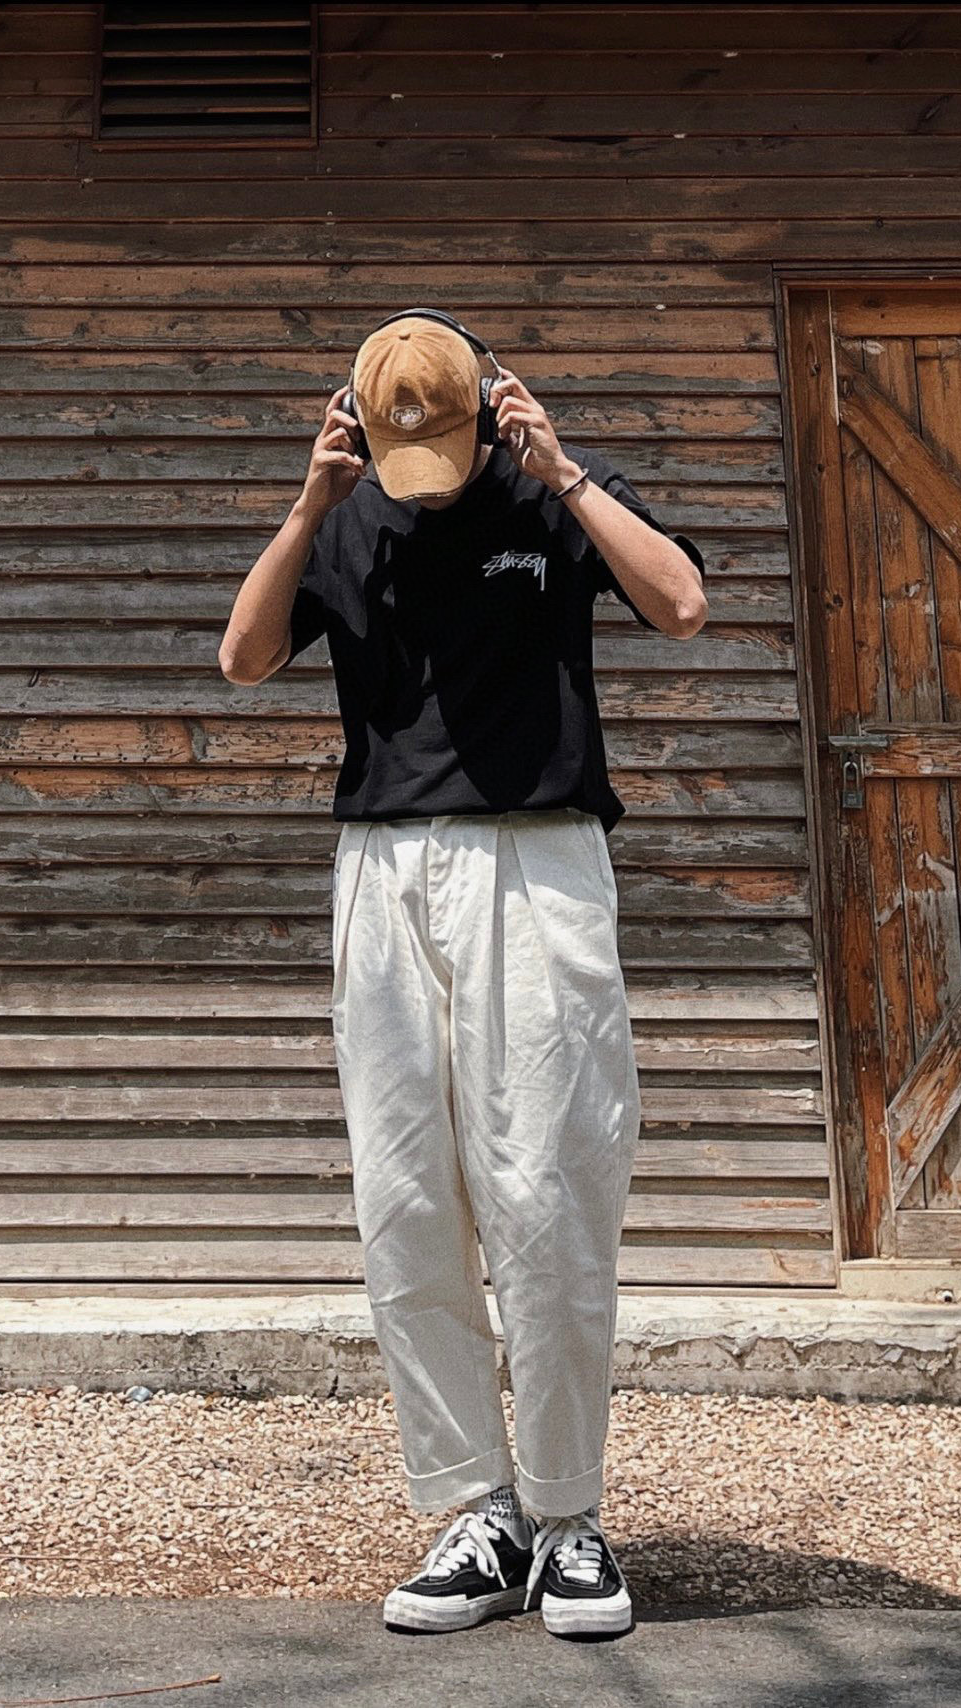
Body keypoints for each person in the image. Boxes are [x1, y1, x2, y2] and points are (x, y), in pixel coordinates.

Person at [219, 310, 707, 1639]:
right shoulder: (350, 513)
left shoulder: (549, 495)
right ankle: (477, 1512)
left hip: (537, 858)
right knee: (405, 1194)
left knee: (548, 1185)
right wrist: (311, 503)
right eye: (401, 453)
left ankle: (569, 1516)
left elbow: (681, 603)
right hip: (384, 869)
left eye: (446, 444)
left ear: (493, 410)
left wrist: (567, 474)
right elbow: (244, 657)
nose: (424, 476)